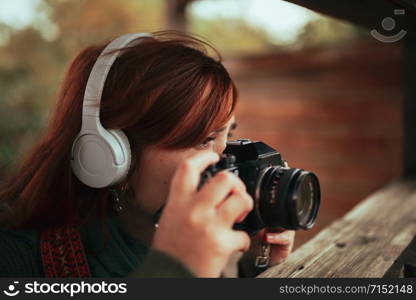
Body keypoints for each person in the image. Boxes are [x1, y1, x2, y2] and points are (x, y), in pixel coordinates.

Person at [0, 31, 295, 278]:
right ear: (110, 154)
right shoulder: (17, 259)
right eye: (204, 139)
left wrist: (256, 268)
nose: (225, 162)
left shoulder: (204, 242)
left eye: (227, 137)